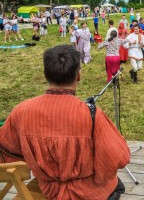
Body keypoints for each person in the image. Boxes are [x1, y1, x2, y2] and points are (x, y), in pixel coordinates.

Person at [0, 45, 130, 200]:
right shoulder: (92, 114)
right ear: (78, 75)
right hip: (88, 192)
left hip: (48, 189)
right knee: (117, 185)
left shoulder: (21, 111)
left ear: (46, 74)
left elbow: (7, 152)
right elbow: (119, 158)